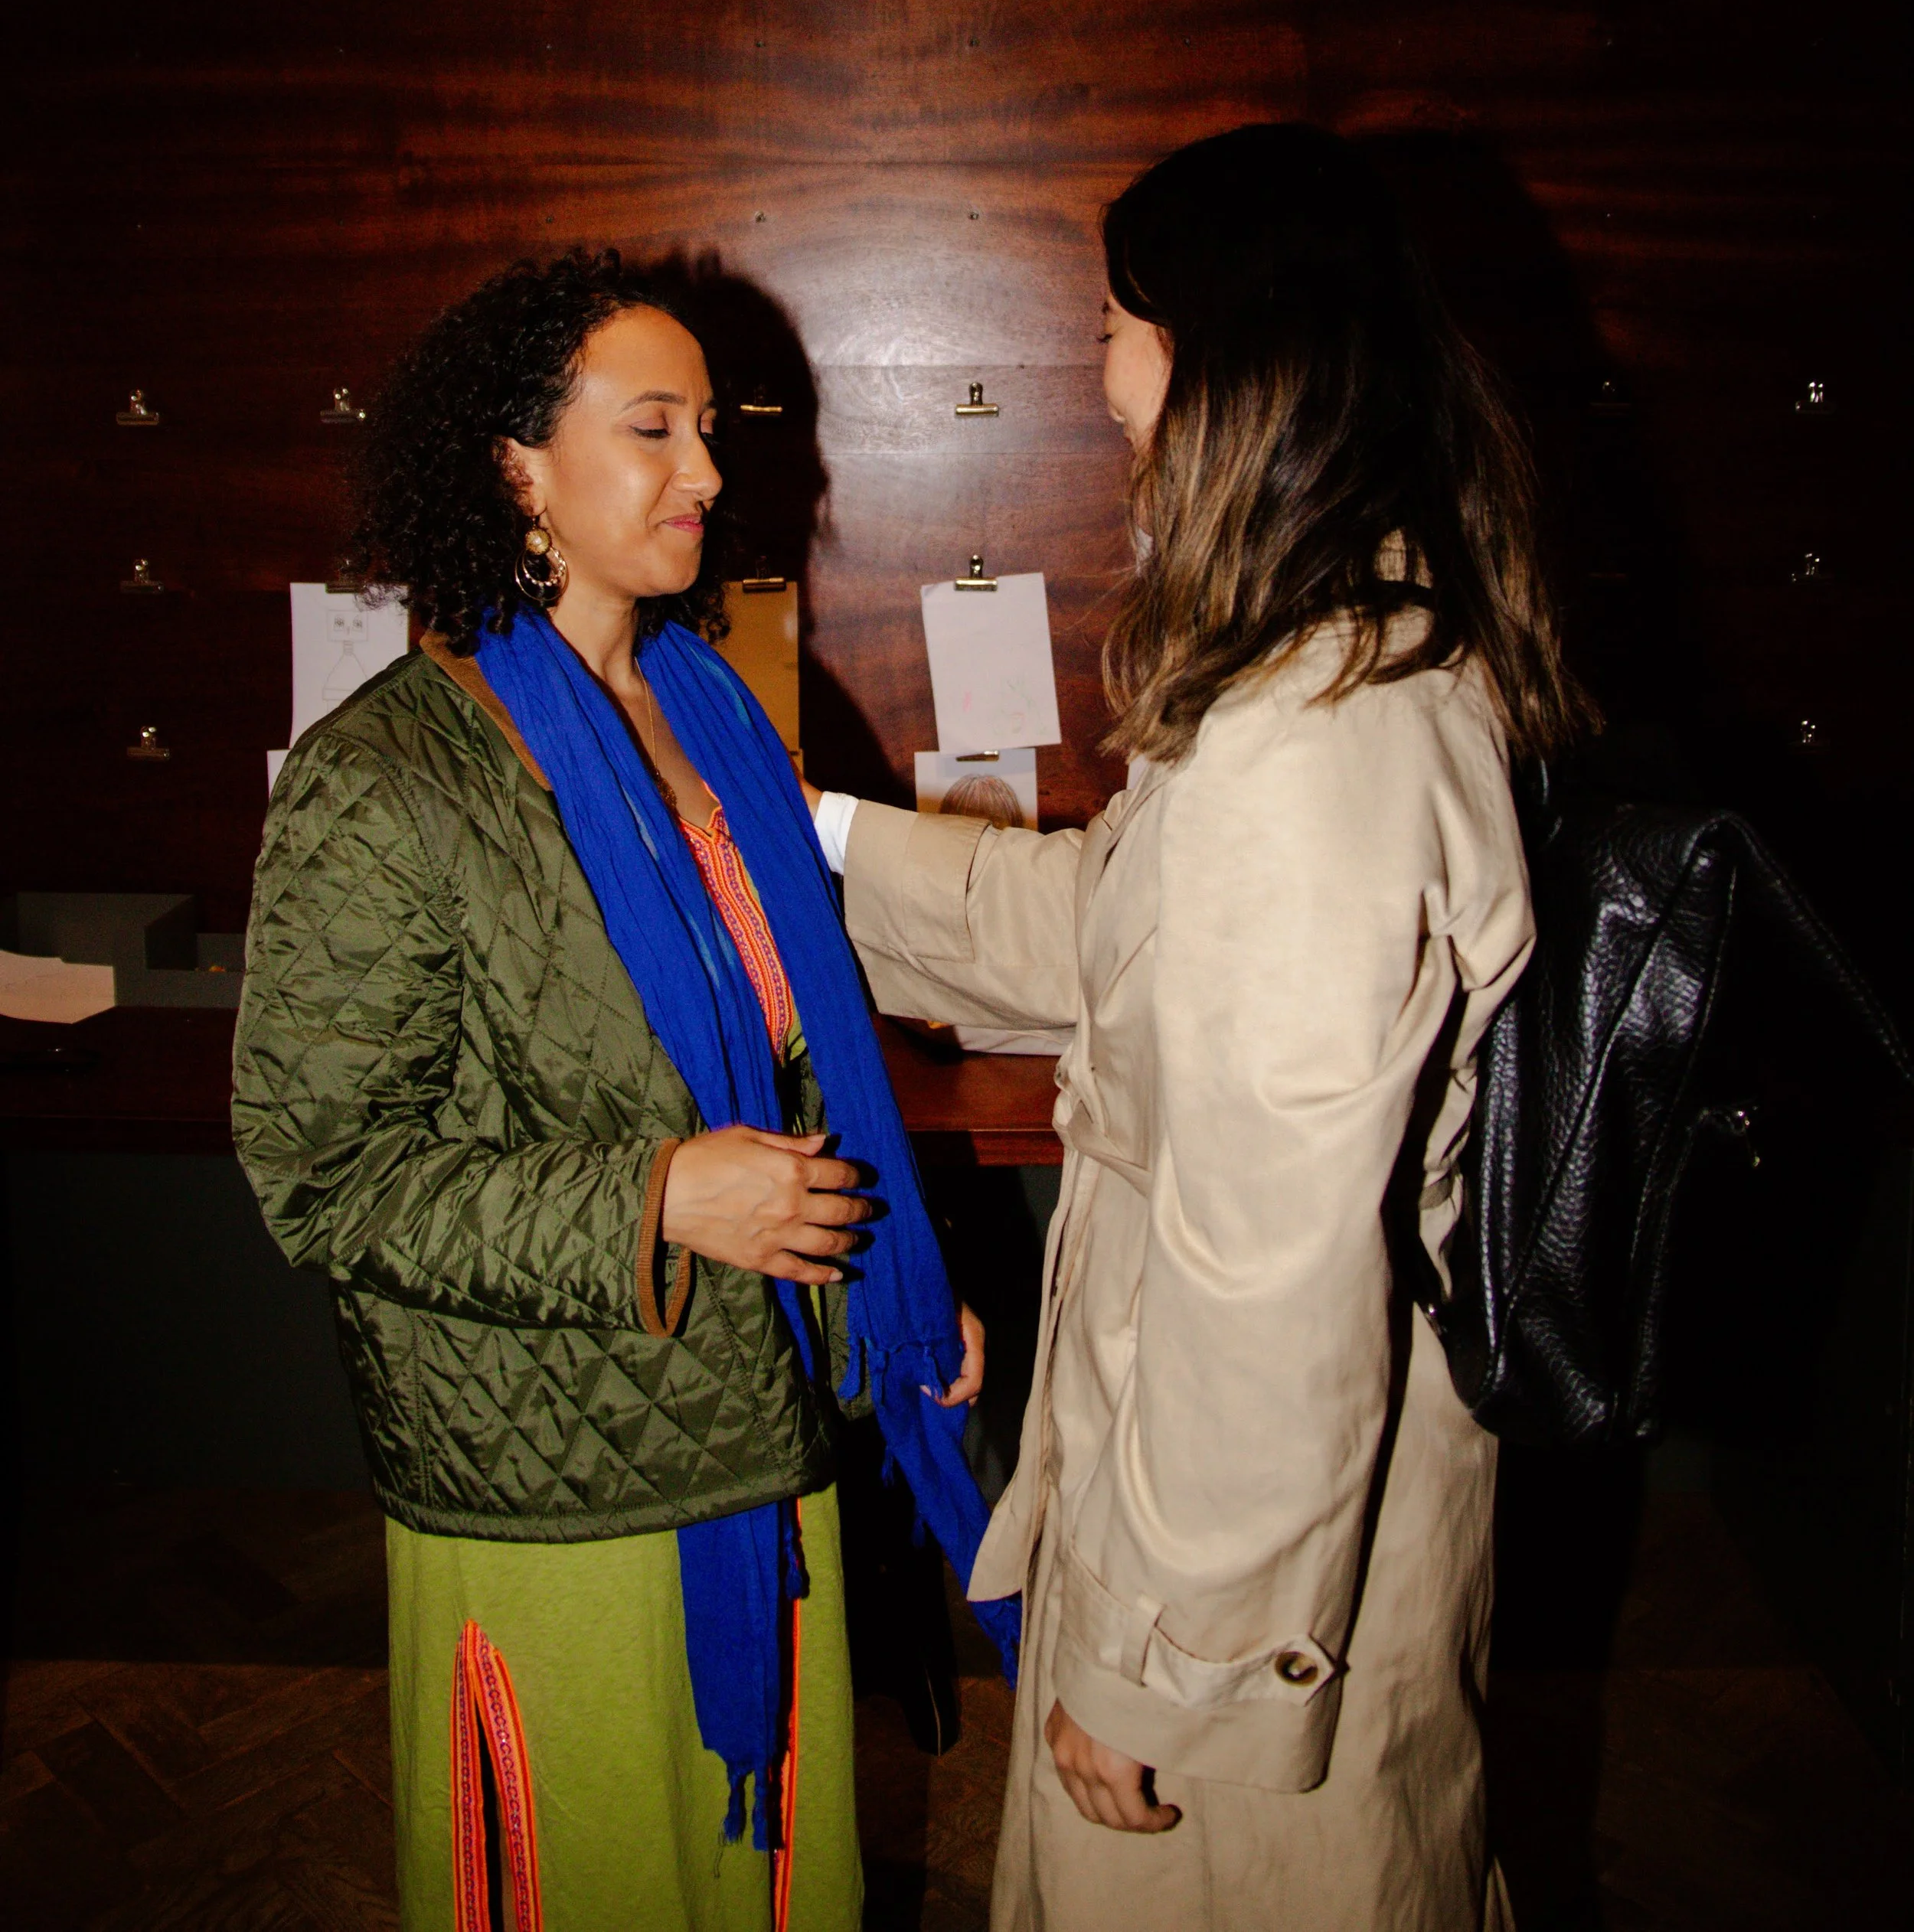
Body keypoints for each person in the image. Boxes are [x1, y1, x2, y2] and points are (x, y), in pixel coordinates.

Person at [807, 124, 1589, 1931]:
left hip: (1242, 1585)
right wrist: (814, 836)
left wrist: (1163, 1668)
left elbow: (1269, 1262)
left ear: (1223, 356)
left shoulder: (1308, 741)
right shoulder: (1324, 661)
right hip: (1243, 1511)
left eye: (1113, 323)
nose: (1098, 375)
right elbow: (1106, 931)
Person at [234, 250, 996, 1932]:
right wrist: (654, 1199)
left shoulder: (708, 706)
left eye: (709, 430)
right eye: (651, 429)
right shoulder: (387, 778)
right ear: (517, 469)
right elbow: (326, 1171)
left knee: (767, 1881)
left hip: (768, 1416)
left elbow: (803, 1053)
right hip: (550, 1478)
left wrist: (893, 1275)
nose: (707, 475)